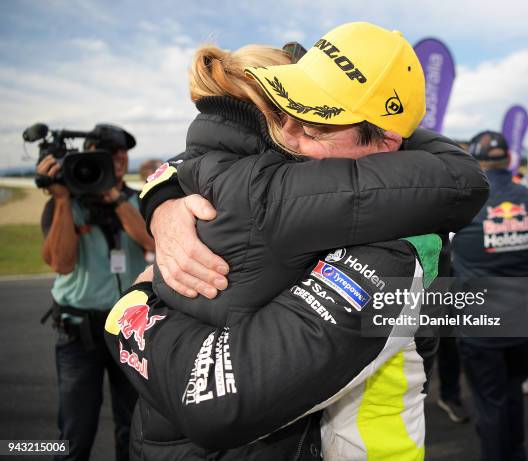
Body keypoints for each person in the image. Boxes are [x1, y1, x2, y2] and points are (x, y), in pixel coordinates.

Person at [106, 23, 489, 460]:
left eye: (320, 123)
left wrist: (131, 309)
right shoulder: (265, 186)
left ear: (386, 144)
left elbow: (219, 402)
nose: (291, 133)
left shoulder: (396, 243)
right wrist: (162, 199)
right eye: (286, 108)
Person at [38, 124, 154, 461]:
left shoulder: (135, 201)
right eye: (107, 149)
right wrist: (62, 199)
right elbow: (61, 263)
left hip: (128, 333)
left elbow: (151, 241)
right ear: (89, 155)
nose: (118, 155)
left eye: (122, 150)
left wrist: (114, 198)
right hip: (79, 334)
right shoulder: (65, 205)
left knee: (133, 430)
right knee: (75, 433)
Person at [452, 131, 528, 461]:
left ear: (475, 161)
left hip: (482, 325)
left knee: (490, 403)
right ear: (508, 158)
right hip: (522, 318)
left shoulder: (465, 204)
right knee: (513, 392)